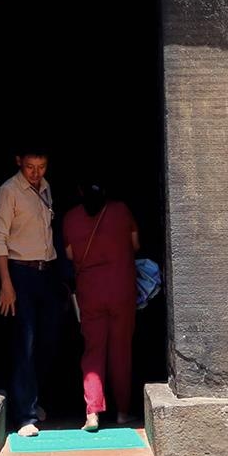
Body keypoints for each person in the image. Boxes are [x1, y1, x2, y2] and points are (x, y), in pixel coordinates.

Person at [0, 150, 61, 438]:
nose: (36, 173)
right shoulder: (9, 191)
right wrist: (6, 283)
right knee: (25, 343)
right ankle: (25, 416)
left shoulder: (45, 188)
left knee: (49, 339)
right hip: (20, 272)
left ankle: (33, 398)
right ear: (18, 161)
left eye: (41, 166)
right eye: (31, 167)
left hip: (47, 271)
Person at [63, 182, 139, 432]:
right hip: (121, 289)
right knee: (121, 351)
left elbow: (71, 255)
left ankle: (93, 413)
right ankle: (123, 412)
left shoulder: (71, 218)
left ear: (80, 192)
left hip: (90, 293)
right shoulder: (121, 211)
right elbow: (135, 245)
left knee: (93, 351)